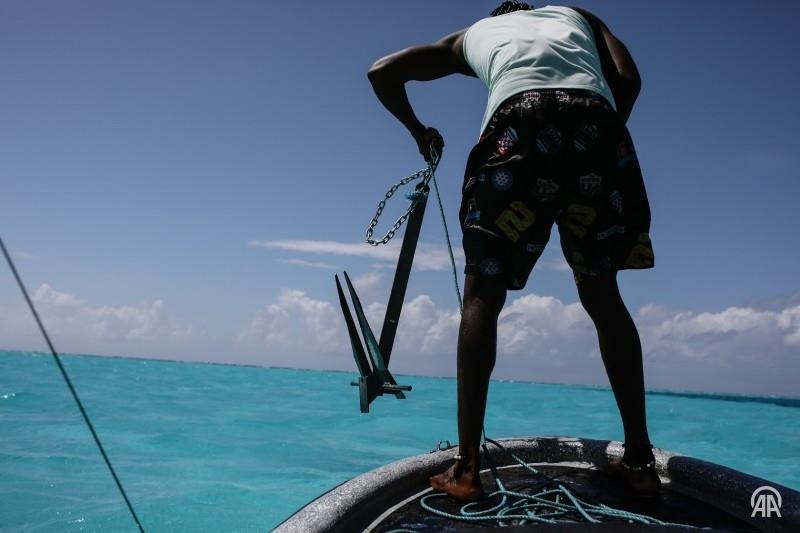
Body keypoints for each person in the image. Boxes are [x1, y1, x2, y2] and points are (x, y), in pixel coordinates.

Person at [367, 1, 659, 501]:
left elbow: (382, 72)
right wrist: (597, 135)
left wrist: (421, 134)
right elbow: (629, 78)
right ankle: (638, 460)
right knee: (602, 295)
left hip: (515, 129)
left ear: (498, 17)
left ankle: (465, 470)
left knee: (483, 295)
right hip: (598, 126)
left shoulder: (472, 35)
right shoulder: (577, 16)